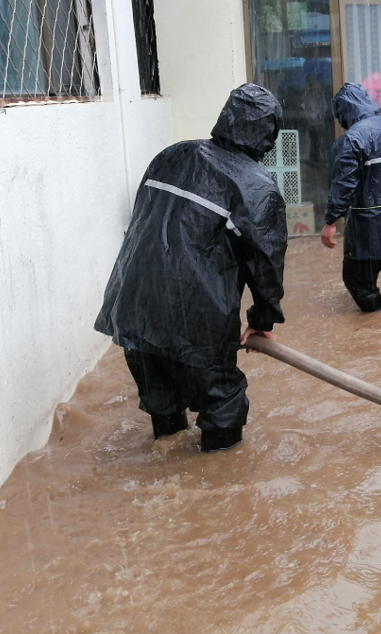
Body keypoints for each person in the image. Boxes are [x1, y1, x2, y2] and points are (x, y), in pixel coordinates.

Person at [95, 84, 288, 452]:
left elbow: (143, 225)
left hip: (131, 309)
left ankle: (169, 476)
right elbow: (266, 266)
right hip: (195, 323)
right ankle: (220, 494)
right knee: (224, 403)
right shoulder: (258, 188)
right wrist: (263, 320)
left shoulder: (171, 155)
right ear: (269, 133)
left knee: (162, 402)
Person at [320, 82, 381, 312]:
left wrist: (330, 222)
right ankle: (379, 321)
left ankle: (379, 323)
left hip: (368, 223)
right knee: (370, 272)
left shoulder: (352, 140)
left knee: (356, 281)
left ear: (344, 111)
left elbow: (343, 184)